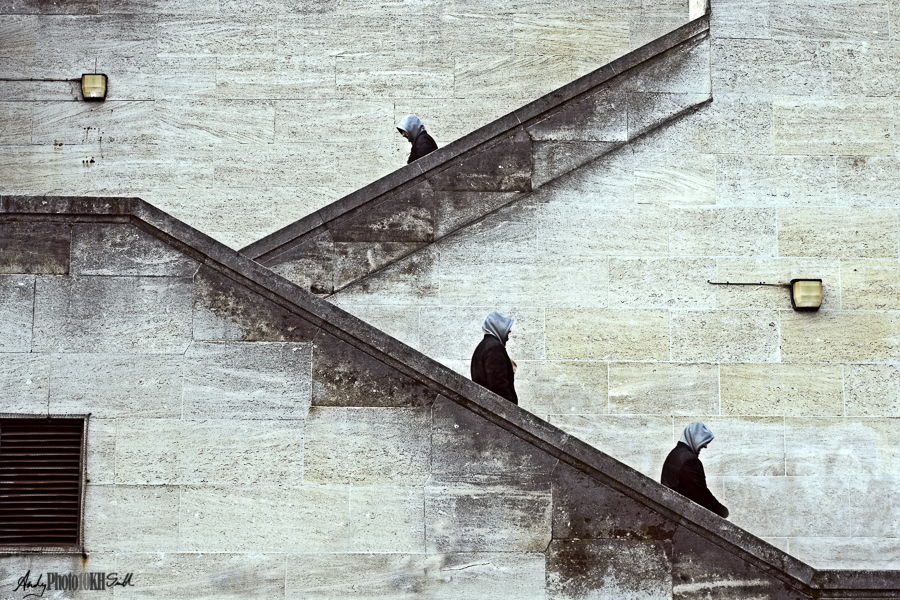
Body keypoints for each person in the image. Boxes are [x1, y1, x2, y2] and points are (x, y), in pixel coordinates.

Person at [661, 422, 729, 518]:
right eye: (704, 440)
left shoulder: (677, 453)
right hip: (683, 517)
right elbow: (701, 495)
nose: (706, 446)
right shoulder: (688, 460)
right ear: (694, 437)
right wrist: (723, 512)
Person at [470, 311, 518, 405]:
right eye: (506, 326)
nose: (510, 330)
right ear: (497, 327)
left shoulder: (484, 346)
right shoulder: (494, 347)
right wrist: (510, 409)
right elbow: (499, 385)